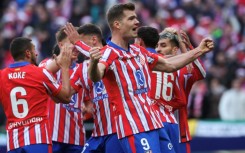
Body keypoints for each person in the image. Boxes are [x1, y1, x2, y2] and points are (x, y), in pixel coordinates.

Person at [88, 2, 214, 153]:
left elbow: (169, 64)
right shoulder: (108, 53)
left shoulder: (138, 51)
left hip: (155, 123)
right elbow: (97, 75)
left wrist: (199, 50)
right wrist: (94, 64)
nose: (137, 22)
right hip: (134, 127)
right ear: (117, 24)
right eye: (131, 19)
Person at [0, 37, 72, 153]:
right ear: (28, 53)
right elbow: (66, 97)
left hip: (13, 142)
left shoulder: (2, 76)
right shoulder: (40, 72)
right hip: (37, 140)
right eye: (34, 50)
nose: (37, 53)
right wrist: (64, 67)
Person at [63, 23, 124, 153]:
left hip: (118, 131)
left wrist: (78, 42)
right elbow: (65, 95)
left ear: (94, 40)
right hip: (97, 134)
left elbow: (104, 56)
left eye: (80, 42)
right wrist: (63, 66)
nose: (76, 47)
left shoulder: (112, 53)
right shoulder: (81, 68)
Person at [156, 28, 207, 153]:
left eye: (163, 45)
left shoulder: (183, 71)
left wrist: (186, 46)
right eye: (156, 45)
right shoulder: (150, 66)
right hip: (155, 129)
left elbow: (201, 73)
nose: (158, 49)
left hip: (179, 131)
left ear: (174, 50)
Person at [136, 26, 185, 153]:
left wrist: (157, 102)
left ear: (139, 41)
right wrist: (166, 105)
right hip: (171, 122)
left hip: (152, 121)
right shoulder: (170, 66)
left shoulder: (139, 61)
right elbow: (181, 101)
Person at [39, 27, 86, 153]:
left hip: (76, 139)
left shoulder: (83, 69)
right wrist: (63, 61)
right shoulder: (46, 64)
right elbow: (44, 71)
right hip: (51, 136)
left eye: (78, 43)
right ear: (61, 45)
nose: (77, 47)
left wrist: (88, 105)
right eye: (72, 42)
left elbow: (89, 99)